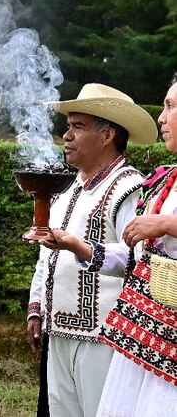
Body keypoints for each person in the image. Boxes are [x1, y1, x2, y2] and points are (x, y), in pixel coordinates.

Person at [44, 74, 177, 417]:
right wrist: (76, 245)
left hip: (117, 330)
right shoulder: (164, 180)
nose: (162, 117)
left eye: (170, 106)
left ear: (107, 135)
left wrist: (167, 223)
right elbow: (137, 258)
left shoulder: (129, 186)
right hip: (144, 331)